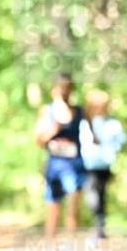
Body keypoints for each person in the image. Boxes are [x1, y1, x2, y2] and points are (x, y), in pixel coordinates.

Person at [34, 73, 88, 238]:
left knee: (73, 210)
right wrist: (53, 131)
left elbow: (92, 134)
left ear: (72, 89)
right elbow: (38, 140)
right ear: (54, 89)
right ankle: (51, 247)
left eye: (67, 86)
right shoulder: (47, 111)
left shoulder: (79, 111)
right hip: (55, 167)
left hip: (75, 165)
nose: (64, 90)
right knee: (53, 209)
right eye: (61, 86)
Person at [79, 89, 127, 240]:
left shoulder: (113, 124)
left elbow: (121, 141)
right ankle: (97, 225)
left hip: (103, 165)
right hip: (87, 165)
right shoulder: (84, 123)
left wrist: (111, 148)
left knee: (100, 195)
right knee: (91, 196)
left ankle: (99, 228)